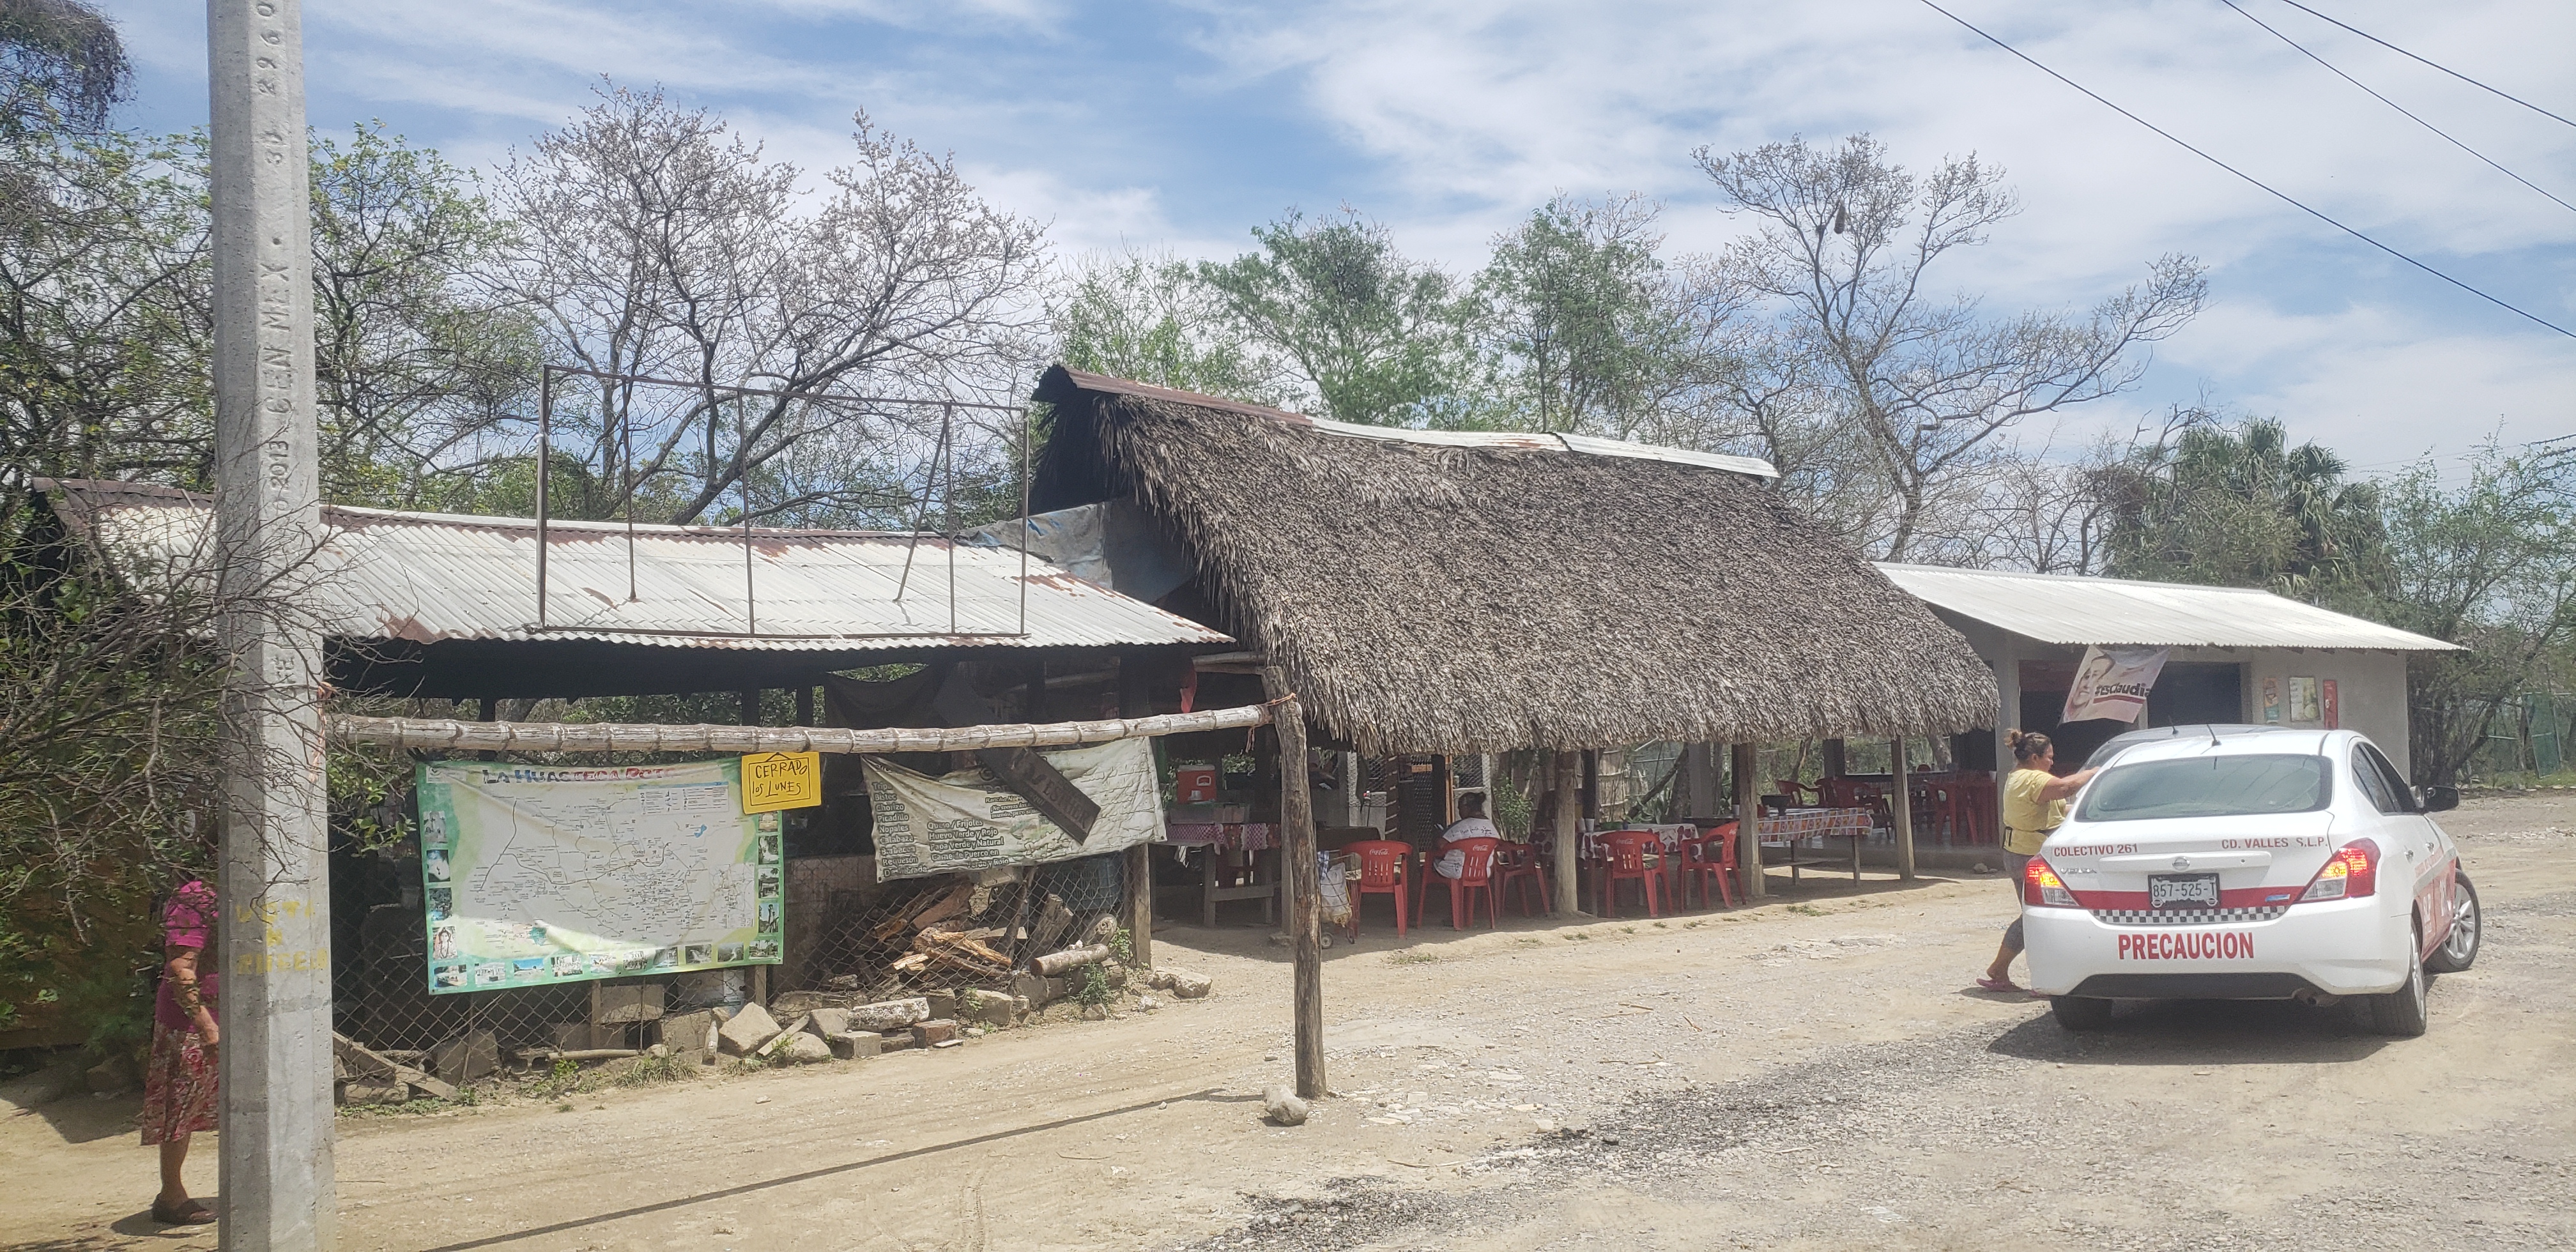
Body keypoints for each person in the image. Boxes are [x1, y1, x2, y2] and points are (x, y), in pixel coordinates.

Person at [1979, 730, 2098, 993]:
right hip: (2028, 856)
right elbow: (2066, 788)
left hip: (2023, 853)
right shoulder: (2031, 779)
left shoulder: (2021, 778)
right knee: (2039, 917)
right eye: (2049, 758)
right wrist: (2094, 773)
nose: (2052, 763)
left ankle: (2001, 970)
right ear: (2035, 757)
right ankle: (2009, 971)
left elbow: (2058, 807)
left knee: (2036, 915)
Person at [144, 877, 220, 1225]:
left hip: (233, 1016)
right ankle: (171, 1197)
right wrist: (206, 1027)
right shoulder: (197, 896)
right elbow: (180, 968)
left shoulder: (248, 887)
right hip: (191, 1023)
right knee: (181, 1110)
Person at [1433, 793, 1500, 878]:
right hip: (1483, 871)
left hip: (1457, 871)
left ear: (1465, 807)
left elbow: (1441, 844)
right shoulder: (1491, 827)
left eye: (1460, 808)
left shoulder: (1460, 826)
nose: (1459, 812)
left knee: (1434, 861)